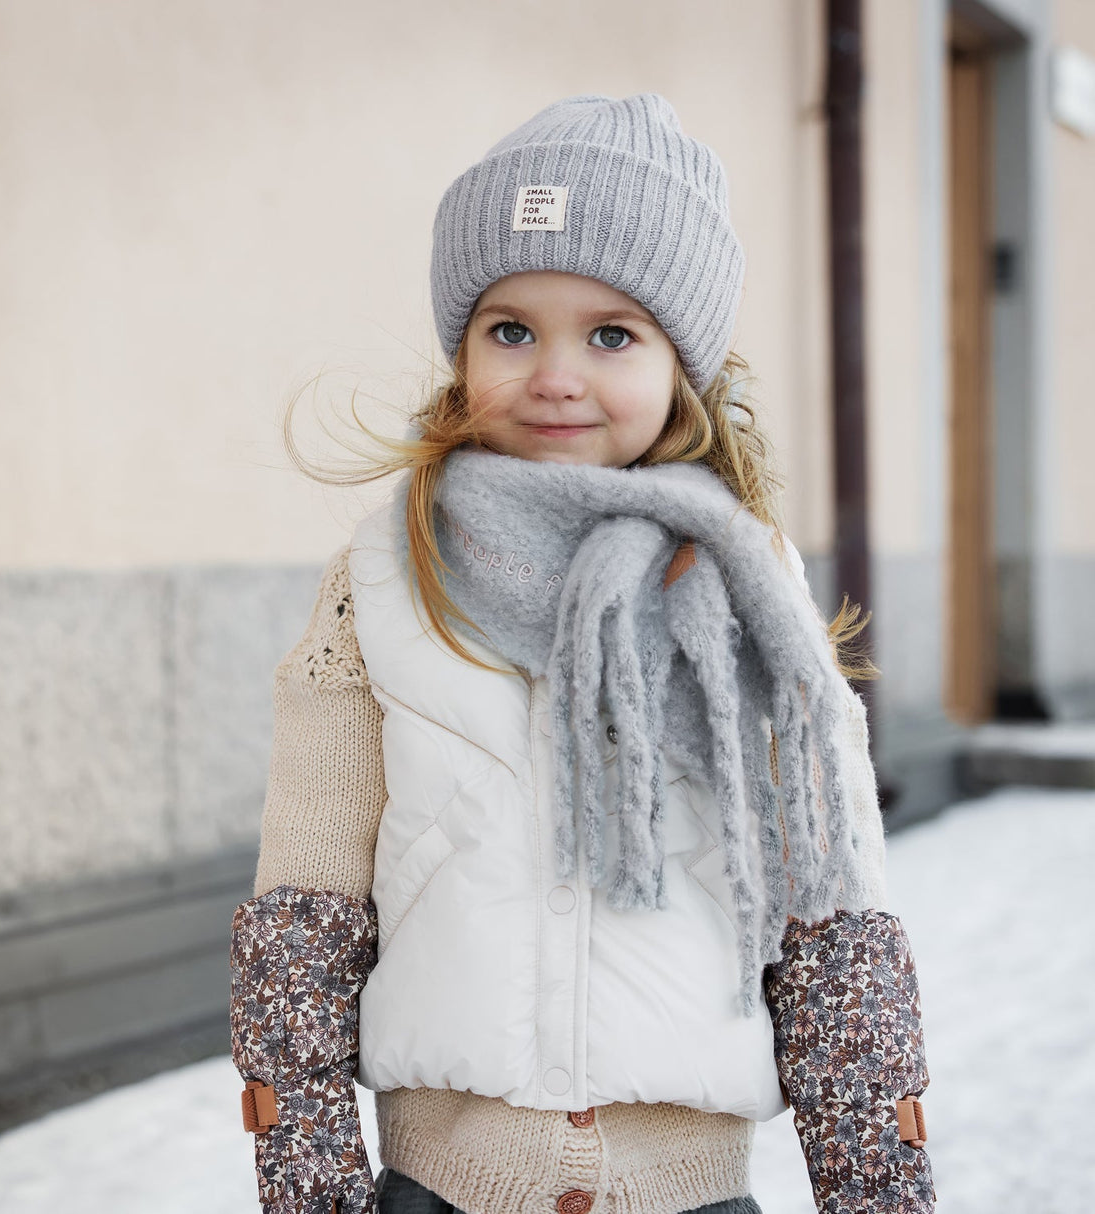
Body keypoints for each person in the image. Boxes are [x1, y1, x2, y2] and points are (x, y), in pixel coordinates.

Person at [229, 93, 935, 1214]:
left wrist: (878, 1187)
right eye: (510, 329)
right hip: (444, 1185)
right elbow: (305, 913)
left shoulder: (747, 591)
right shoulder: (380, 581)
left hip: (689, 1191)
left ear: (680, 365)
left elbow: (831, 921)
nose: (555, 372)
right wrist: (309, 1175)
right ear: (461, 350)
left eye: (611, 333)